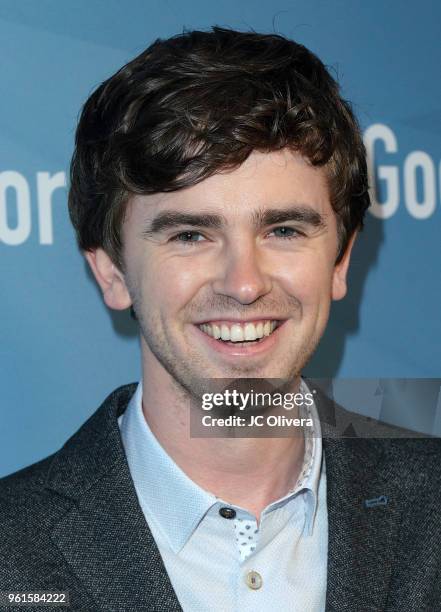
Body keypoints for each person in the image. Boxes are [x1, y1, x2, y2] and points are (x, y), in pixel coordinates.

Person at [1, 26, 440, 612]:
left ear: (340, 260)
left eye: (282, 230)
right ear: (111, 272)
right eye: (190, 235)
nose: (244, 283)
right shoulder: (13, 551)